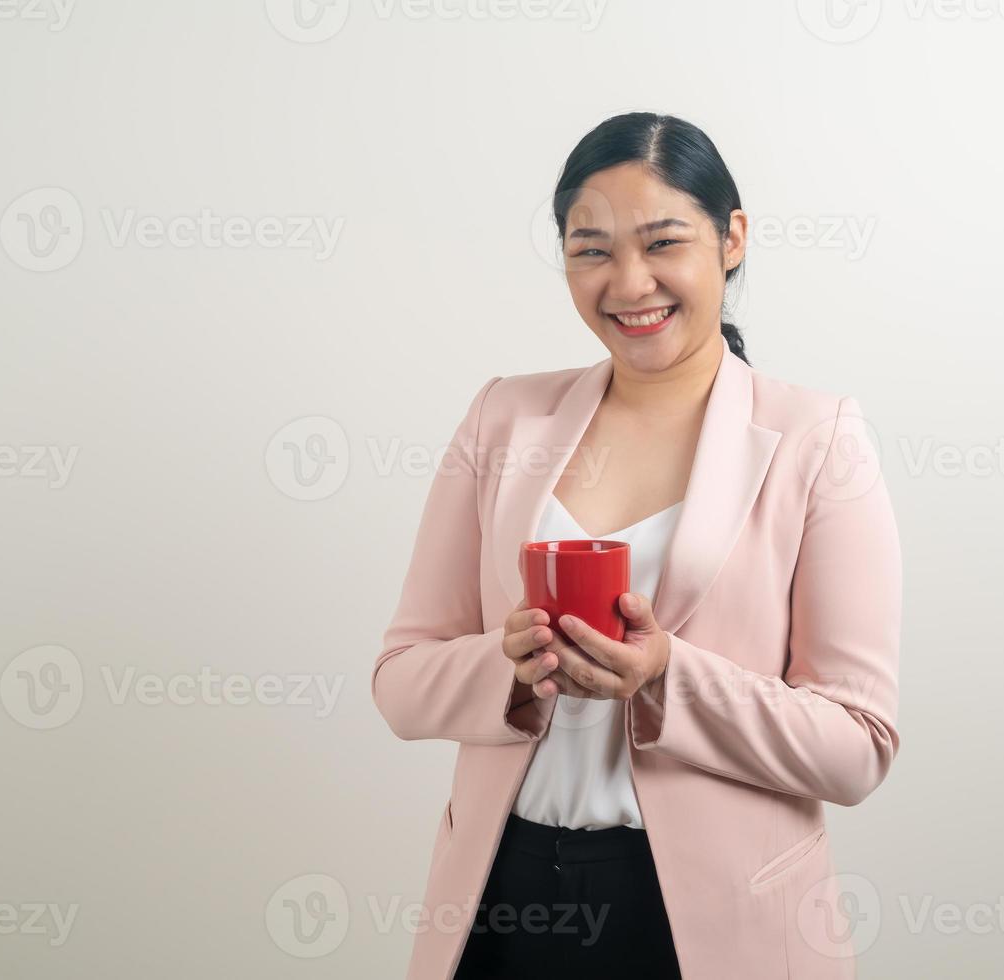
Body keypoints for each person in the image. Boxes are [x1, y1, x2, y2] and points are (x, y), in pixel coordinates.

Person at [372, 111, 903, 980]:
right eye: (591, 250)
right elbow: (399, 680)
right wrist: (506, 671)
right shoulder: (504, 418)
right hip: (501, 902)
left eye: (663, 242)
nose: (628, 283)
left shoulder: (817, 439)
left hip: (713, 919)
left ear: (731, 239)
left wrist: (668, 678)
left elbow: (857, 745)